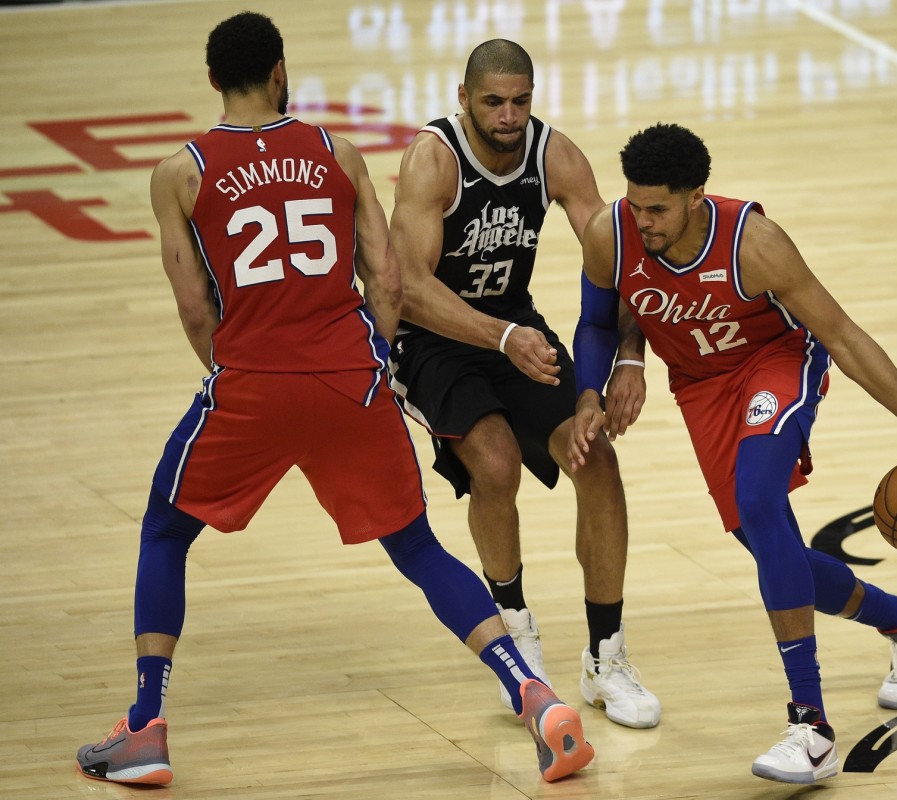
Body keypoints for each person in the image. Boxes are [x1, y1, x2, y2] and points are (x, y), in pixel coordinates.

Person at [75, 13, 593, 787]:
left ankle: (145, 726)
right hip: (351, 378)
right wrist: (369, 359)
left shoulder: (179, 173)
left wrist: (238, 375)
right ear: (280, 72)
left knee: (165, 529)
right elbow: (387, 279)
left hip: (252, 382)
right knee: (417, 548)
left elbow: (192, 306)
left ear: (214, 80)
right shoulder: (337, 152)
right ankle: (535, 696)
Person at [570, 123, 897, 784]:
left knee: (760, 502)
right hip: (701, 385)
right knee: (768, 545)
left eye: (658, 209)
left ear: (697, 197)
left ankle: (811, 728)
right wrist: (596, 388)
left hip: (775, 362)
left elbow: (845, 338)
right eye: (636, 204)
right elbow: (598, 319)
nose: (642, 220)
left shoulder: (754, 243)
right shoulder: (609, 232)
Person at [386, 39, 660, 728]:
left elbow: (620, 260)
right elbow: (408, 287)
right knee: (496, 460)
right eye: (493, 102)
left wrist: (630, 357)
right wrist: (503, 337)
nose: (508, 117)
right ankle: (514, 629)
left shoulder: (554, 154)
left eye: (520, 101)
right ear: (464, 98)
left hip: (513, 325)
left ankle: (606, 657)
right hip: (432, 341)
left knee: (597, 458)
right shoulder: (434, 160)